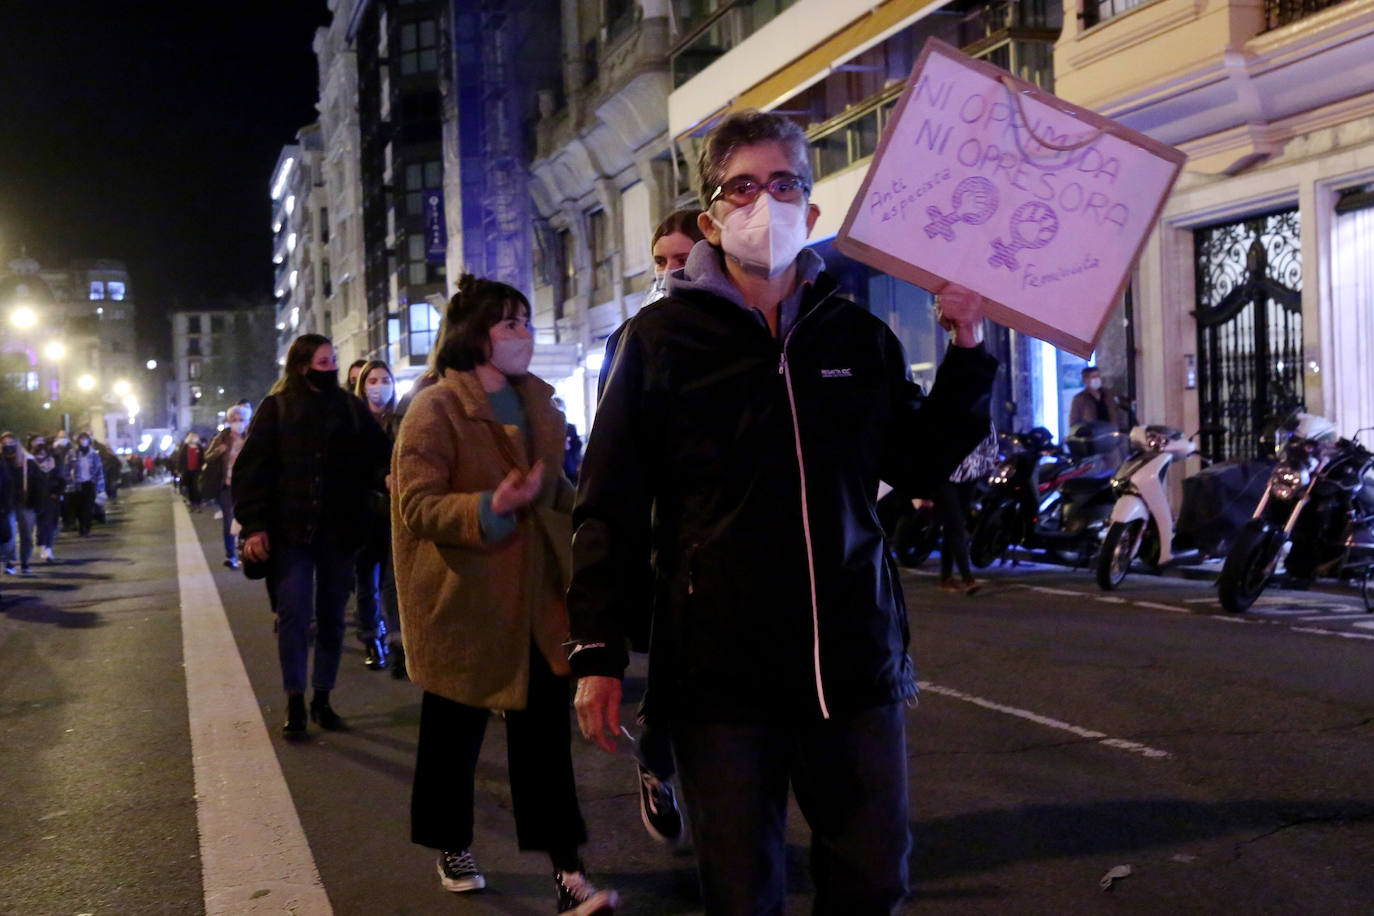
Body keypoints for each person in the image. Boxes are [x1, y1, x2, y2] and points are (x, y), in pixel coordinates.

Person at [567, 109, 997, 913]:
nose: (764, 201)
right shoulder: (657, 341)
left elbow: (916, 460)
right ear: (711, 215)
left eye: (783, 183)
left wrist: (969, 348)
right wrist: (596, 651)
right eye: (742, 186)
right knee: (743, 891)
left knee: (873, 879)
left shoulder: (857, 336)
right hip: (718, 675)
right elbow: (611, 504)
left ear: (812, 206)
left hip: (853, 661)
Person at [392, 274, 618, 913]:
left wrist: (596, 519)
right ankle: (450, 842)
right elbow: (417, 506)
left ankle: (568, 871)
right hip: (465, 602)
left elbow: (559, 493)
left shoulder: (540, 404)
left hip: (538, 600)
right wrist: (490, 506)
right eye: (510, 323)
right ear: (476, 335)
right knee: (451, 734)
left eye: (526, 321)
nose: (525, 333)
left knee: (544, 741)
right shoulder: (435, 408)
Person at [233, 333, 392, 738]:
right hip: (290, 533)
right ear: (303, 366)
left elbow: (377, 456)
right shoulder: (277, 408)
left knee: (333, 616)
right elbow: (253, 471)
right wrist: (254, 525)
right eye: (323, 361)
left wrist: (384, 477)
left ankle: (322, 697)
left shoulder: (349, 408)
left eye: (333, 360)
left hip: (339, 531)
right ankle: (294, 700)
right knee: (294, 615)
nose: (331, 367)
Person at [596, 208, 705, 401]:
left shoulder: (737, 325)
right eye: (660, 262)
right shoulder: (634, 333)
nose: (669, 271)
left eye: (682, 260)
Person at [352, 359, 403, 675]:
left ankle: (397, 644)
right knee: (365, 580)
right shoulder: (352, 422)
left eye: (385, 379)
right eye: (373, 380)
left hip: (396, 511)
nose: (379, 385)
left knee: (392, 581)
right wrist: (378, 477)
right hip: (363, 511)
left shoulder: (403, 420)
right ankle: (372, 637)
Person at [935, 425, 999, 594]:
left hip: (970, 476)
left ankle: (946, 577)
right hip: (944, 477)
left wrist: (984, 467)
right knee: (956, 524)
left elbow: (991, 445)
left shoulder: (981, 417)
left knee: (953, 525)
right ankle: (968, 578)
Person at [203, 405, 250, 569]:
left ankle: (245, 552)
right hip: (227, 485)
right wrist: (218, 451)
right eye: (234, 420)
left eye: (240, 419)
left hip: (247, 486)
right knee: (229, 521)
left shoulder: (250, 437)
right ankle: (231, 556)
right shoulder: (222, 438)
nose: (237, 423)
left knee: (247, 520)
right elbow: (207, 456)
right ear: (229, 421)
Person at [0, 433, 37, 574]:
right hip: (7, 504)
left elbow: (38, 482)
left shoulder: (28, 461)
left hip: (25, 503)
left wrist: (38, 501)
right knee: (8, 536)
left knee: (27, 535)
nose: (8, 445)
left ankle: (25, 562)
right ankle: (10, 562)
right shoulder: (1, 462)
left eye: (11, 442)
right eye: (5, 443)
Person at [27, 434, 62, 562]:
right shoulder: (27, 461)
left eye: (41, 441)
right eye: (36, 442)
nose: (39, 444)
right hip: (31, 497)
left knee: (48, 524)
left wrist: (57, 492)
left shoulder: (54, 459)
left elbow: (60, 478)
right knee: (30, 527)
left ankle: (47, 549)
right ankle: (28, 551)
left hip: (49, 497)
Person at [64, 432, 105, 538]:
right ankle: (81, 526)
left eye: (85, 439)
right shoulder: (72, 453)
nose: (83, 441)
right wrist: (68, 482)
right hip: (77, 484)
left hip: (89, 484)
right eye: (81, 439)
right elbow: (66, 468)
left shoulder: (94, 454)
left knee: (88, 507)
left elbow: (99, 470)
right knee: (78, 507)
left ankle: (85, 528)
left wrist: (100, 487)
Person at [177, 433, 205, 507]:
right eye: (192, 437)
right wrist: (179, 470)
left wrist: (203, 466)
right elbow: (181, 459)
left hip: (197, 470)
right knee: (189, 486)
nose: (194, 439)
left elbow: (202, 458)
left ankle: (198, 501)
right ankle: (192, 501)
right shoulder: (185, 447)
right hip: (187, 470)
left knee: (196, 486)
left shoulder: (199, 447)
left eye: (195, 437)